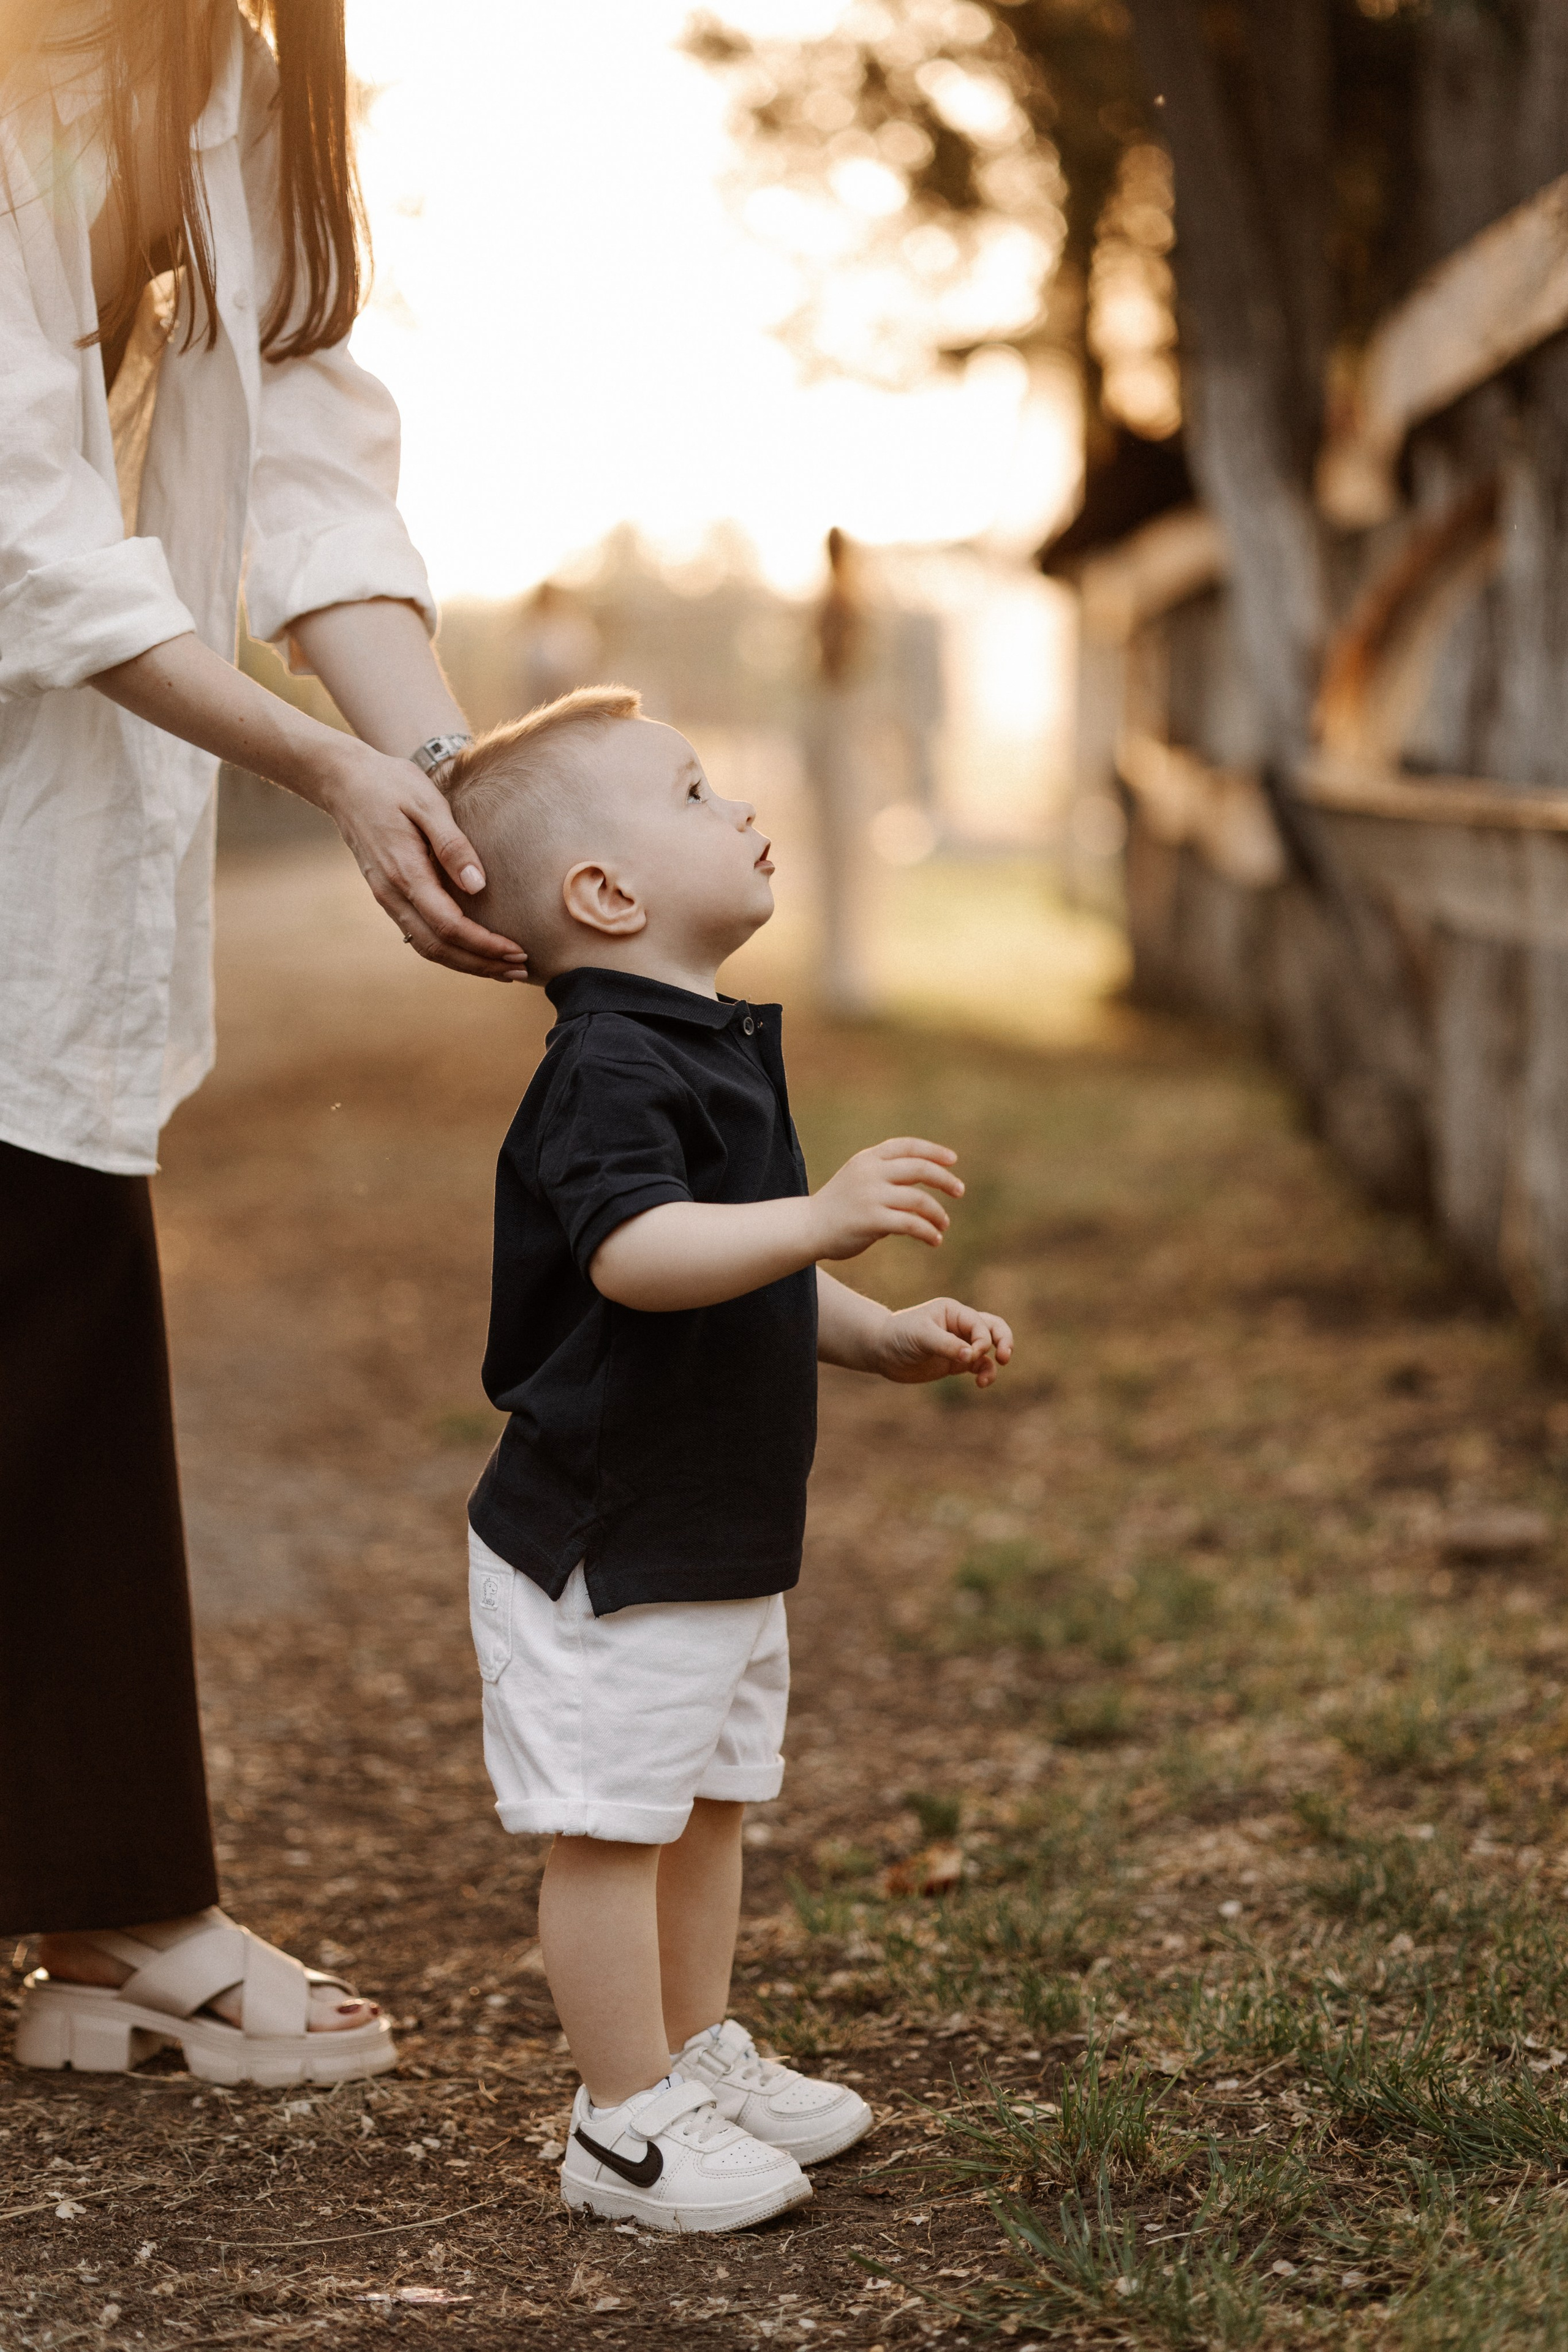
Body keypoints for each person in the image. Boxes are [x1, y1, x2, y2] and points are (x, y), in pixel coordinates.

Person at [2, 0, 524, 2084]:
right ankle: (120, 1908)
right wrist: (320, 772)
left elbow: (310, 485)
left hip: (54, 853)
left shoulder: (238, 78)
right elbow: (29, 530)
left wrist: (462, 784)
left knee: (52, 1299)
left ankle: (115, 1912)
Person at [442, 685, 1014, 2232]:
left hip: (710, 1531)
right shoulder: (608, 1066)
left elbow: (734, 1258)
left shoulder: (697, 1042)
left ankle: (692, 2056)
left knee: (705, 1806)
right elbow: (640, 1253)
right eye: (695, 794)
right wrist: (822, 1216)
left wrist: (869, 1327)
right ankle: (620, 2122)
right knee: (612, 1829)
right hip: (609, 1540)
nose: (740, 806)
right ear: (607, 895)